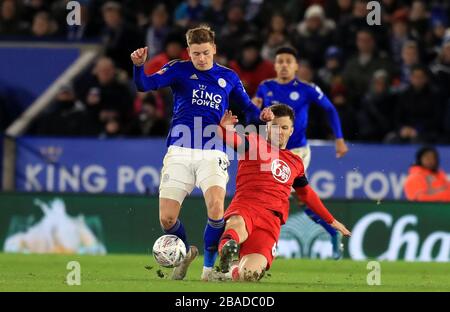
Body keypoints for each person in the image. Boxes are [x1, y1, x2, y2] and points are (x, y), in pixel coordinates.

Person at [130, 25, 273, 281]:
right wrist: (139, 66)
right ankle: (184, 255)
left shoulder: (228, 77)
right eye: (196, 53)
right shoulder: (178, 69)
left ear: (214, 49)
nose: (201, 58)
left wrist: (262, 117)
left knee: (216, 208)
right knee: (167, 219)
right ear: (189, 52)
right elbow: (145, 84)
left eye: (206, 53)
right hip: (179, 150)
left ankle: (208, 270)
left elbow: (249, 110)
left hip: (213, 150)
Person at [212, 104, 351, 281]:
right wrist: (222, 128)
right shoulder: (254, 142)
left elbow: (307, 194)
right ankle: (226, 249)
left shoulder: (295, 162)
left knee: (249, 275)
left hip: (271, 221)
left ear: (291, 131)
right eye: (275, 127)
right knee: (237, 225)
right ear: (267, 128)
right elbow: (229, 138)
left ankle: (229, 271)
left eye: (284, 127)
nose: (280, 131)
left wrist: (332, 221)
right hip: (247, 207)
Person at [253, 47, 349, 259]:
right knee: (290, 197)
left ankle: (269, 243)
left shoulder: (307, 89)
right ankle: (331, 231)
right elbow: (255, 113)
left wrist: (339, 138)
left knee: (279, 193)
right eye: (280, 61)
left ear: (296, 66)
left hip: (296, 152)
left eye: (289, 61)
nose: (284, 65)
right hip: (270, 150)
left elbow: (330, 109)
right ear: (275, 65)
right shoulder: (265, 87)